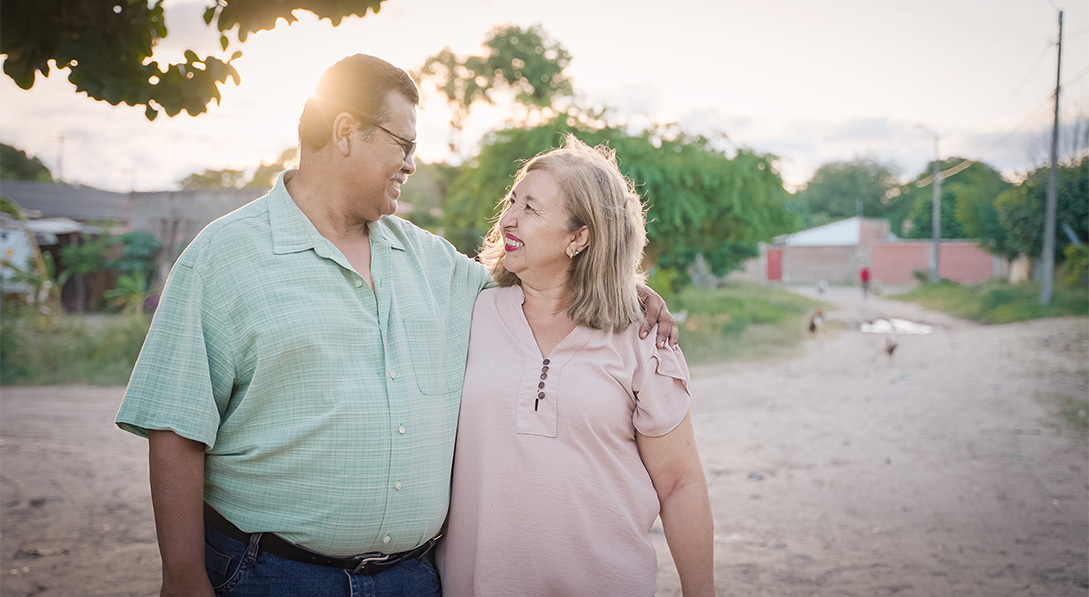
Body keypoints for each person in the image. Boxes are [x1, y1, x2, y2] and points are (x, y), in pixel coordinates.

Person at [115, 55, 676, 596]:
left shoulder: (434, 263)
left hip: (414, 580)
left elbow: (543, 283)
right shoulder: (225, 255)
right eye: (404, 144)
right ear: (345, 132)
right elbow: (176, 427)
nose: (411, 163)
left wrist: (624, 286)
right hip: (270, 575)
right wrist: (184, 575)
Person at [437, 136, 714, 596]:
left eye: (531, 207)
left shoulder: (642, 336)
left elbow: (680, 483)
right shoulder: (468, 309)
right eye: (511, 201)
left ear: (579, 237)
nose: (508, 218)